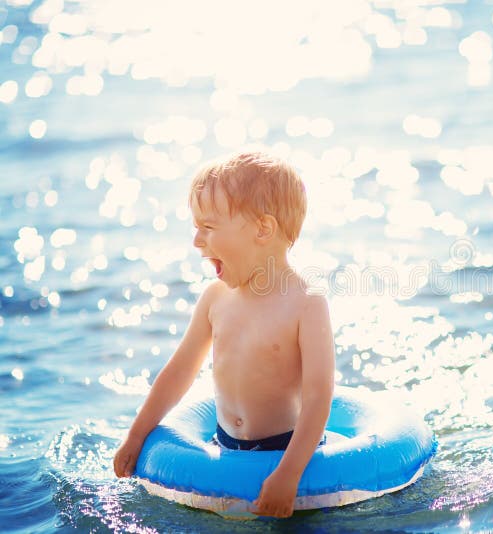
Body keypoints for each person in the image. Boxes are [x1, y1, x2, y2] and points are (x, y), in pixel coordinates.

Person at [113, 151, 335, 518]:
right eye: (196, 227)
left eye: (209, 228)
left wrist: (290, 472)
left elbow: (317, 395)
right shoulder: (215, 298)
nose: (197, 241)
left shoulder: (306, 304)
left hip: (284, 449)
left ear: (263, 229)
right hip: (225, 445)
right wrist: (137, 435)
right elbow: (179, 372)